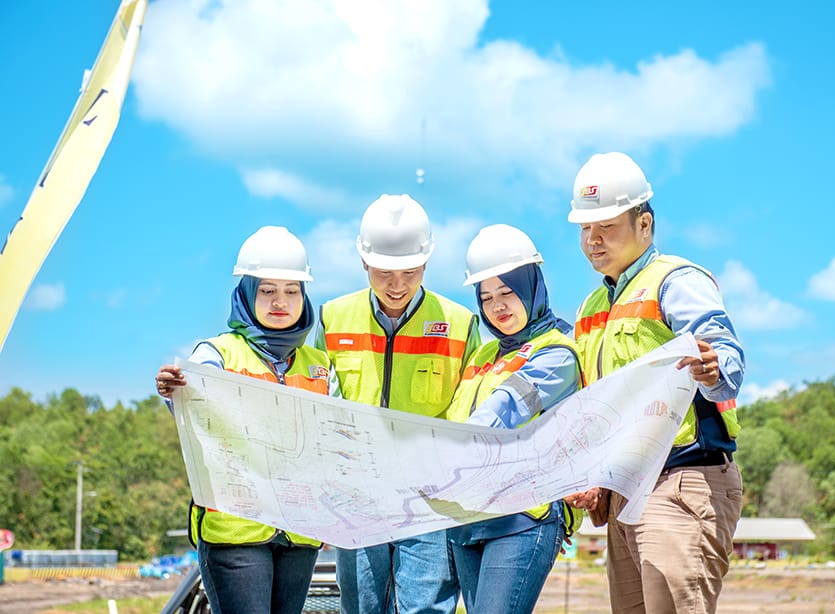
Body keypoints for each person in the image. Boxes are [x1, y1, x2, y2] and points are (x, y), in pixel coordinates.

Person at [565, 152, 745, 614]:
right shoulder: (590, 309)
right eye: (585, 228)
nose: (593, 240)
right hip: (623, 492)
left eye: (606, 225)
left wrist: (713, 368)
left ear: (644, 225)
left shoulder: (676, 281)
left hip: (681, 479)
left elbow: (725, 355)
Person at [154, 226, 336, 614]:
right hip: (236, 533)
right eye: (267, 290)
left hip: (299, 532)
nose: (280, 301)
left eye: (291, 291)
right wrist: (174, 393)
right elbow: (192, 412)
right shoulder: (216, 354)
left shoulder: (320, 365)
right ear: (247, 294)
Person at [314, 194, 481, 614]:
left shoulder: (460, 324)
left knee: (426, 609)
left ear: (426, 263)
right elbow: (314, 407)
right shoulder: (332, 318)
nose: (397, 285)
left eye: (409, 272)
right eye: (384, 273)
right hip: (359, 497)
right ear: (363, 263)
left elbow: (474, 411)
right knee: (363, 608)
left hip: (430, 498)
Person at [444, 224, 582, 614]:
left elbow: (507, 407)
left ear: (532, 287)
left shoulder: (557, 352)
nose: (497, 306)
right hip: (470, 519)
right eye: (486, 298)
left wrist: (454, 446)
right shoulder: (481, 357)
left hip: (524, 517)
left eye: (507, 292)